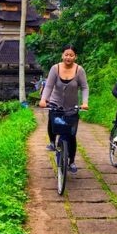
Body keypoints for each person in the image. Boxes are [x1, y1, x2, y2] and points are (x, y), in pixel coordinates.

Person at [39, 45, 89, 173]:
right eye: (66, 54)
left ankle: (71, 161)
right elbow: (49, 86)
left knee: (71, 135)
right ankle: (52, 142)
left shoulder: (79, 70)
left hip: (72, 107)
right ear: (62, 55)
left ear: (75, 57)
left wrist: (85, 102)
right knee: (53, 121)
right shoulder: (55, 69)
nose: (68, 57)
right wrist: (44, 99)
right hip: (56, 103)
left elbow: (84, 87)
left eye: (71, 55)